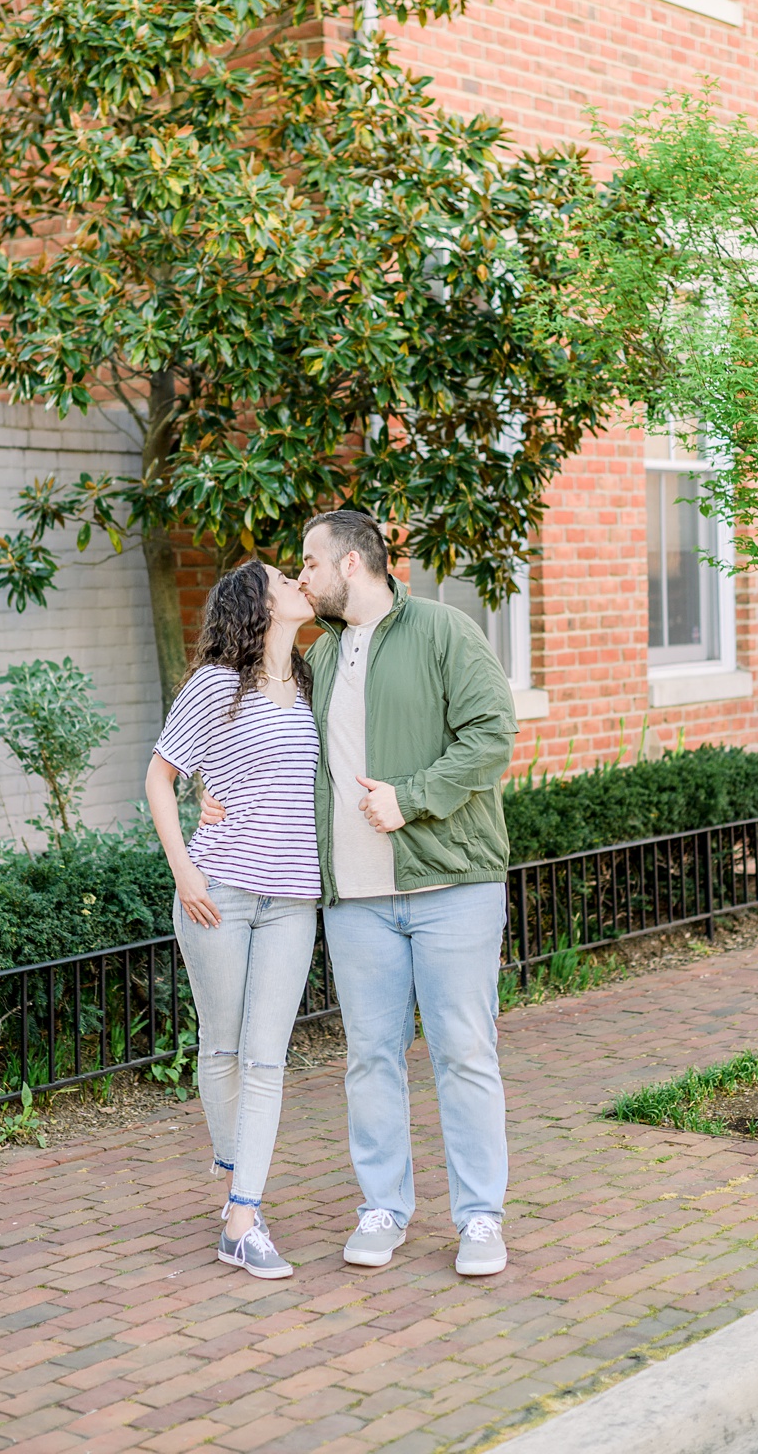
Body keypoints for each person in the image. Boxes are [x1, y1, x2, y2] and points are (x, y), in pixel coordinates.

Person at [297, 509, 519, 1277]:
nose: (303, 577)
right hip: (354, 898)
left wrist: (412, 797)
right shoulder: (321, 658)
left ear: (352, 564)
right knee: (370, 1059)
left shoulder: (443, 630)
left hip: (452, 885)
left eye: (310, 562)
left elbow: (492, 732)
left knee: (463, 1053)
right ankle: (384, 1206)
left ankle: (481, 1218)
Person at [146, 559, 324, 1281]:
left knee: (267, 1056)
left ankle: (243, 1215)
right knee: (221, 1048)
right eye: (285, 579)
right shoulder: (216, 686)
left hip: (293, 900)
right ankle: (235, 1198)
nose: (298, 585)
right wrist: (185, 870)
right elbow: (160, 775)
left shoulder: (313, 681)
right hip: (218, 891)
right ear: (258, 605)